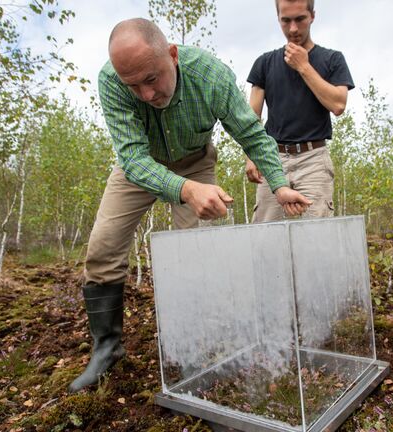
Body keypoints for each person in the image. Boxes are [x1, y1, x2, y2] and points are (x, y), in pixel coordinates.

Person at [68, 18, 311, 393]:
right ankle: (107, 348)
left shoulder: (210, 76)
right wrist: (184, 191)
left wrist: (279, 186)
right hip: (140, 164)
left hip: (194, 162)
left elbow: (251, 133)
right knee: (103, 247)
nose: (147, 94)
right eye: (134, 86)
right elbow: (132, 159)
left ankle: (196, 352)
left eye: (152, 79)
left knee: (197, 253)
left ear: (172, 55)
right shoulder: (111, 80)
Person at [245, 0, 354, 222]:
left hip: (314, 159)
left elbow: (338, 105)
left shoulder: (333, 59)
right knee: (264, 237)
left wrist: (303, 66)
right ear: (278, 19)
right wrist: (251, 155)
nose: (293, 28)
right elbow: (251, 117)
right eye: (286, 20)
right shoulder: (264, 63)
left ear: (312, 16)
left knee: (318, 236)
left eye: (300, 19)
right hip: (272, 158)